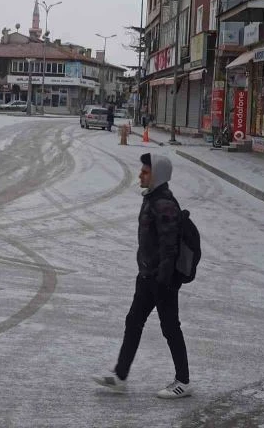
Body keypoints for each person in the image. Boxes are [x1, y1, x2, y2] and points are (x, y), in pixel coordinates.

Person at [93, 153, 191, 399]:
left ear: (157, 175)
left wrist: (163, 280)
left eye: (146, 171)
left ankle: (184, 381)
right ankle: (120, 376)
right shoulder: (152, 199)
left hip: (161, 281)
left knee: (170, 329)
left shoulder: (164, 204)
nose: (140, 174)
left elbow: (171, 248)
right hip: (147, 276)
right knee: (133, 323)